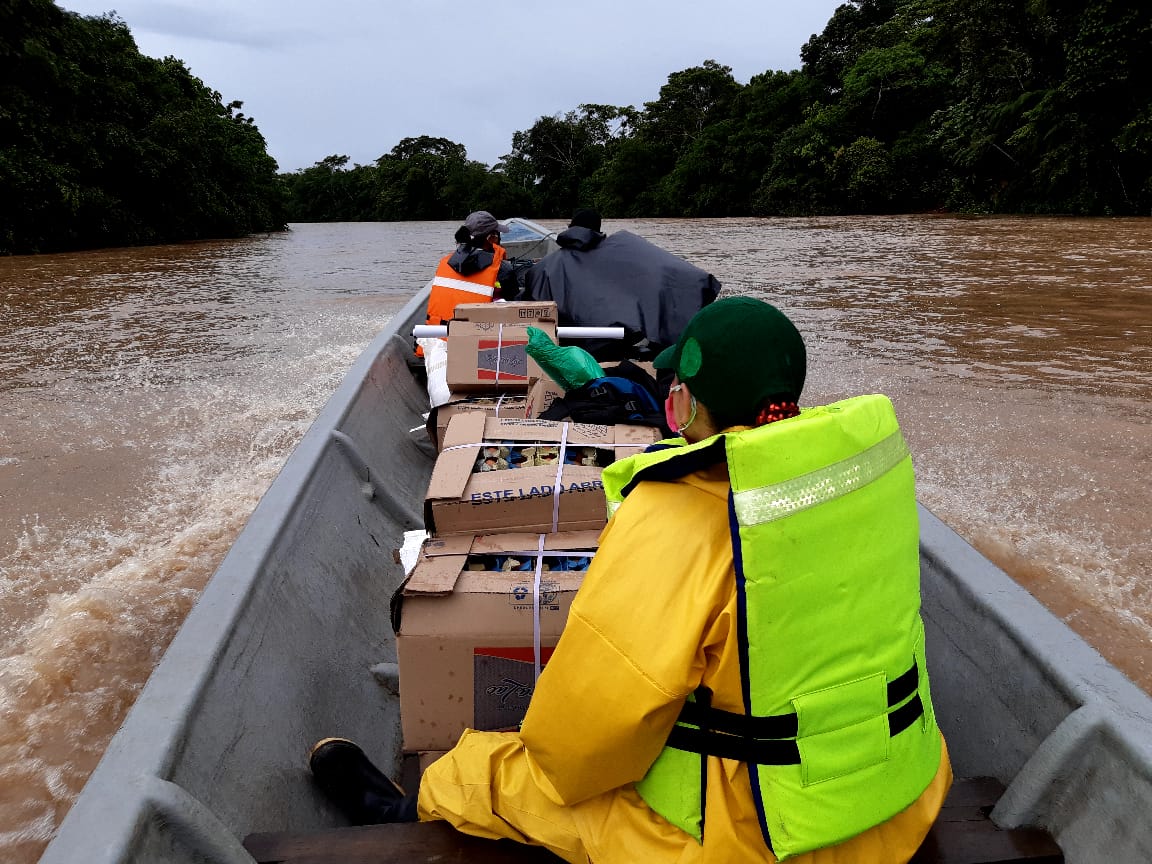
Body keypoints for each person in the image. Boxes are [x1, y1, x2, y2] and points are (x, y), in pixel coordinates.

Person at [310, 296, 953, 863]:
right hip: (898, 806)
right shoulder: (861, 482)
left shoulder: (680, 515)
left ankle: (409, 810)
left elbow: (581, 745)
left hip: (751, 844)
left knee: (485, 771)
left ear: (689, 398)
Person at [520, 209, 720, 361]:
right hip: (619, 342)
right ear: (598, 229)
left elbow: (529, 309)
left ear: (570, 227)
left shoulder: (544, 267)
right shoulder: (625, 249)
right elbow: (667, 272)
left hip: (573, 347)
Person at [423, 210, 520, 329]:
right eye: (497, 235)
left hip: (434, 340)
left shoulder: (444, 263)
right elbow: (515, 309)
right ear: (492, 238)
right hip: (474, 342)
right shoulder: (503, 269)